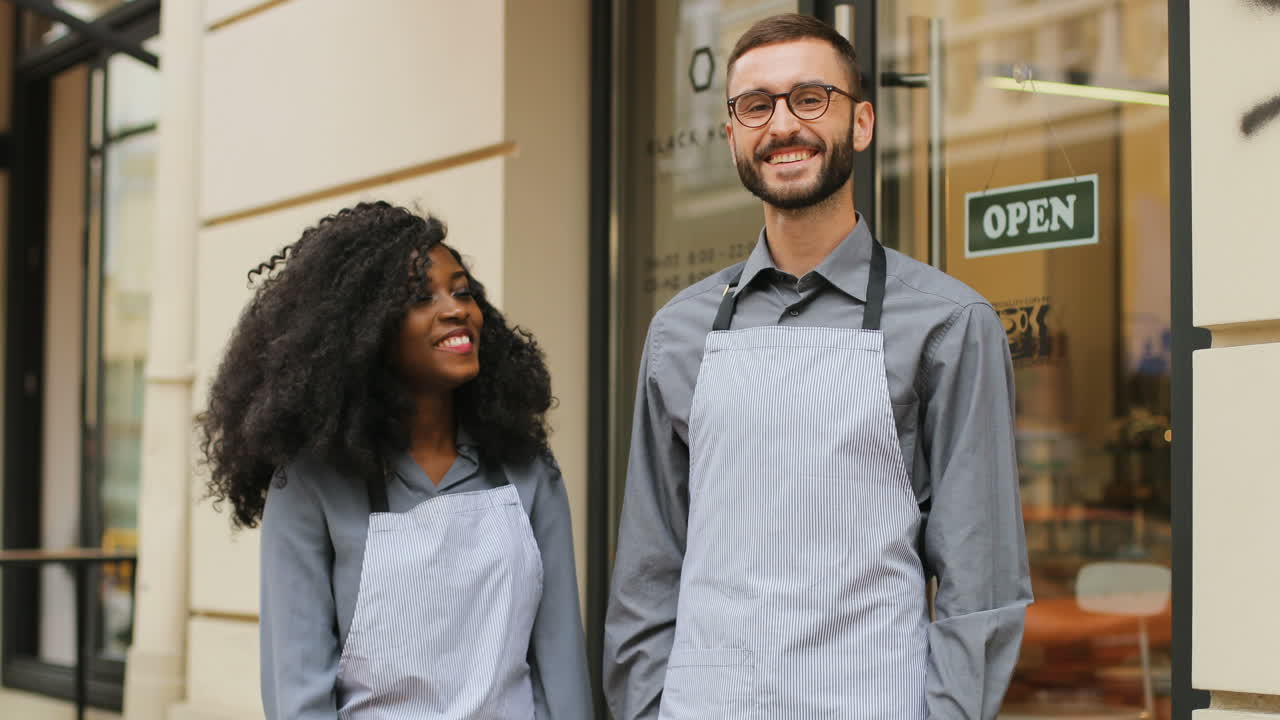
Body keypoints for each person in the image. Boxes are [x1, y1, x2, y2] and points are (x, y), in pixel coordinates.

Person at [603, 14, 1032, 719]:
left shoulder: (949, 324)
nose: (782, 126)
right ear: (732, 133)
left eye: (810, 98)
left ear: (860, 123)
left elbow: (980, 586)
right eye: (756, 106)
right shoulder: (678, 333)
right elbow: (647, 574)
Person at [200, 201, 593, 719]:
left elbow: (561, 669)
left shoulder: (528, 468)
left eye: (462, 291)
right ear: (363, 331)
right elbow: (299, 695)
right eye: (420, 297)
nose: (456, 309)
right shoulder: (311, 485)